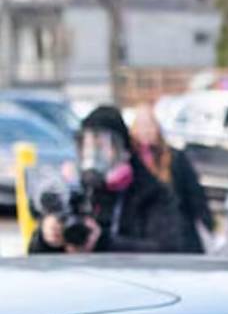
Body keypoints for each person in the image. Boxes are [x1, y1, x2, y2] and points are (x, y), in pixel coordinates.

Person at [29, 105, 182, 255]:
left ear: (124, 151)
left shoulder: (151, 194)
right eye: (86, 145)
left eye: (101, 146)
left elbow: (167, 250)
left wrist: (104, 243)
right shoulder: (73, 192)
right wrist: (47, 238)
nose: (93, 155)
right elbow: (36, 258)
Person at [131, 102, 214, 254]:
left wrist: (210, 224)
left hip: (179, 235)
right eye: (141, 126)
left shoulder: (175, 158)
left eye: (149, 125)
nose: (146, 131)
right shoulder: (131, 161)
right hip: (145, 240)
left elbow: (195, 194)